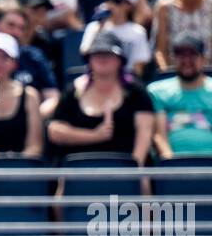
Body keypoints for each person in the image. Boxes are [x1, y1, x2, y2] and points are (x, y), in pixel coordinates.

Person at [47, 31, 155, 164]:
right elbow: (55, 131)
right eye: (97, 54)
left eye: (109, 54)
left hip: (124, 171)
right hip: (78, 171)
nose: (102, 58)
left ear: (120, 60)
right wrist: (94, 136)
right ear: (89, 60)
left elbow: (144, 134)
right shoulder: (73, 90)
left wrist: (135, 172)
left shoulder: (136, 91)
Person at [148, 32, 212, 157]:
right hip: (170, 167)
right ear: (173, 59)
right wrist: (172, 165)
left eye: (192, 55)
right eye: (181, 56)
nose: (187, 61)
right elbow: (159, 136)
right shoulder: (156, 92)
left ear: (203, 59)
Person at [0, 0, 59, 114]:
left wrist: (31, 119)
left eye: (21, 28)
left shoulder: (33, 56)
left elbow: (52, 97)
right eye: (11, 25)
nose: (16, 32)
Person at [81, 0, 151, 75]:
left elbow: (137, 70)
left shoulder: (138, 32)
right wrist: (100, 27)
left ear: (129, 5)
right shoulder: (94, 27)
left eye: (116, 0)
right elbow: (85, 55)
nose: (110, 4)